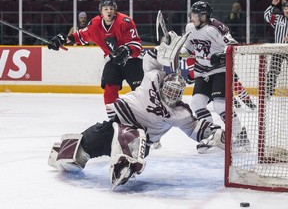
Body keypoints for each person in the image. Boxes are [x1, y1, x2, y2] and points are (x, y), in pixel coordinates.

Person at [47, 31, 225, 190]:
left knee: (133, 136)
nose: (171, 96)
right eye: (169, 91)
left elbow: (195, 128)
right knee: (93, 138)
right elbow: (150, 59)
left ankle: (126, 165)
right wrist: (163, 48)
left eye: (175, 94)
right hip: (119, 122)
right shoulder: (154, 77)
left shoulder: (180, 113)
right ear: (163, 86)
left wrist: (215, 132)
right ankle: (73, 152)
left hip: (141, 141)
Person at [47, 0, 144, 119]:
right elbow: (80, 36)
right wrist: (62, 39)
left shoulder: (125, 21)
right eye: (105, 9)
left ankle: (144, 121)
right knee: (109, 89)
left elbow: (136, 45)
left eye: (111, 8)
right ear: (101, 11)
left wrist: (127, 50)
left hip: (132, 60)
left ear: (115, 10)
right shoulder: (95, 24)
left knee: (140, 92)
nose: (108, 11)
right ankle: (114, 120)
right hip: (113, 60)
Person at [180, 1, 250, 151]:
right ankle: (214, 134)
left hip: (220, 71)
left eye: (195, 14)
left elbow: (233, 46)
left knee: (219, 105)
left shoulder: (215, 28)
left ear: (203, 16)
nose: (192, 17)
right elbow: (189, 46)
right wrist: (183, 50)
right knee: (197, 103)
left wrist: (221, 55)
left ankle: (242, 136)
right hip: (202, 71)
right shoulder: (190, 27)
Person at [264, 0, 288, 98]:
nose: (287, 10)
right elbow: (266, 16)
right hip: (278, 49)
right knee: (273, 72)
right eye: (285, 8)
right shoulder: (278, 18)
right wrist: (272, 5)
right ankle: (269, 92)